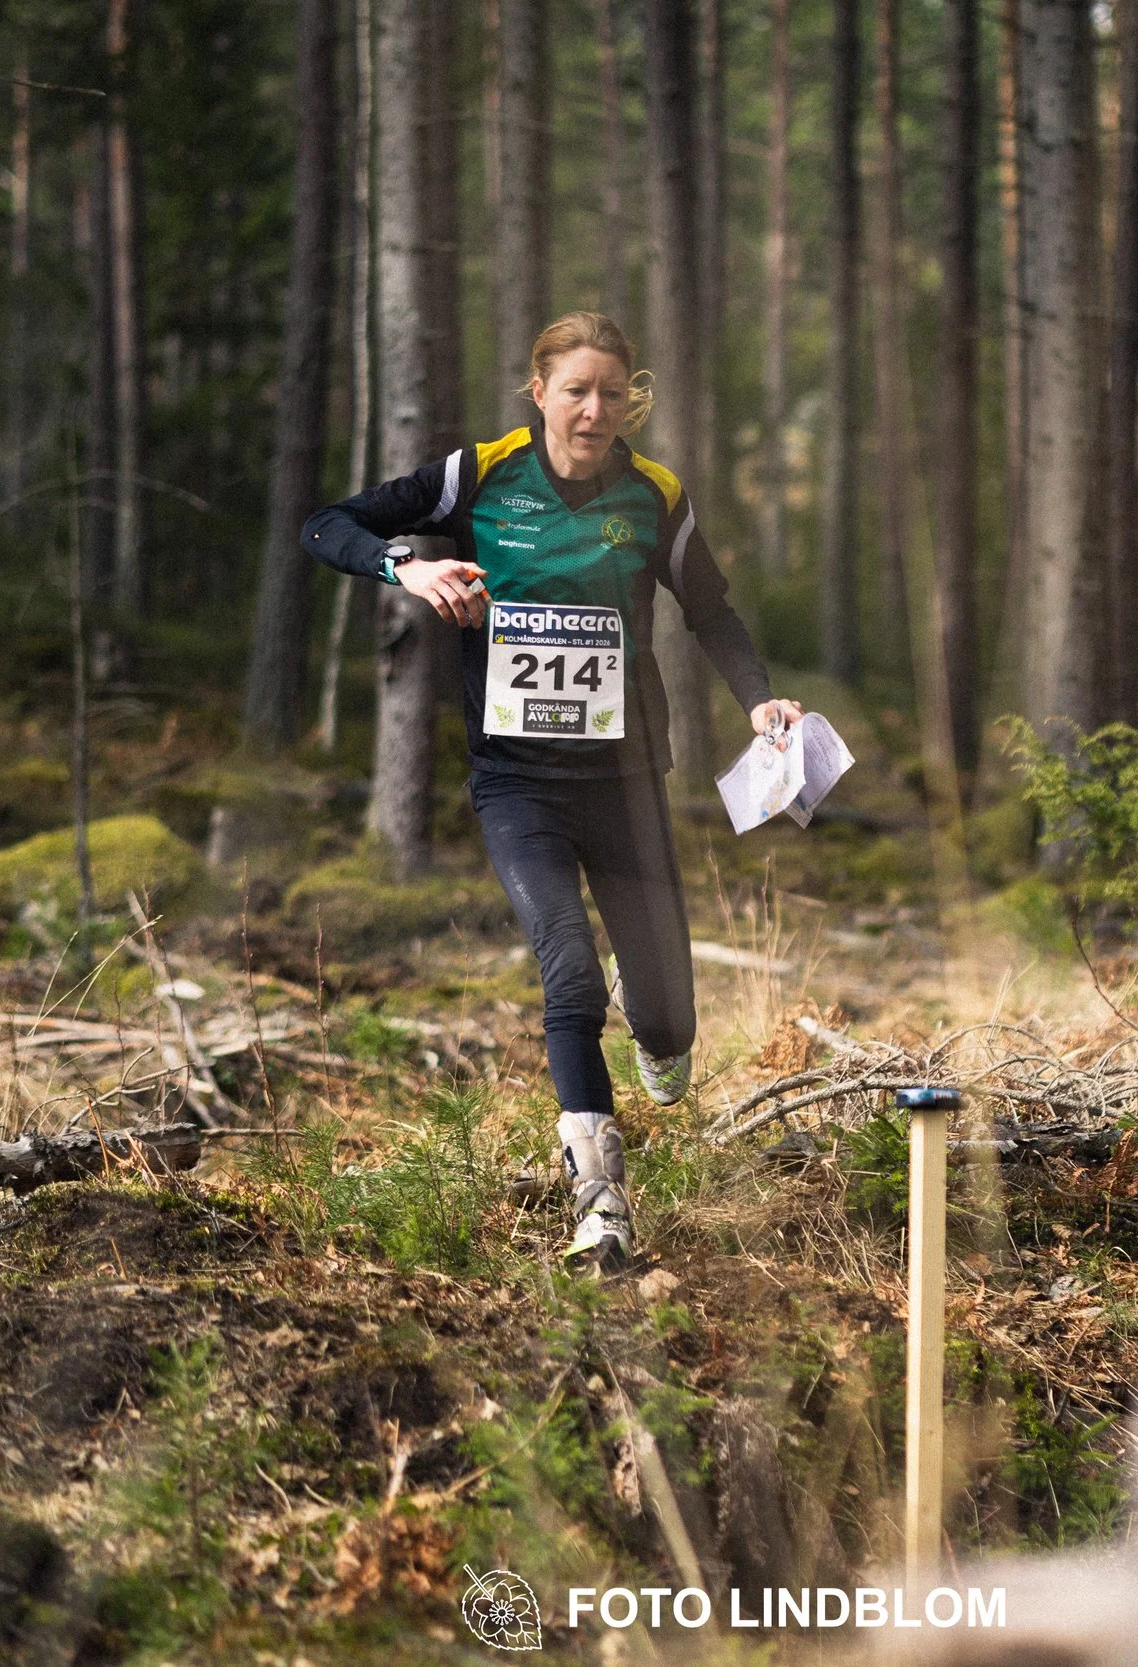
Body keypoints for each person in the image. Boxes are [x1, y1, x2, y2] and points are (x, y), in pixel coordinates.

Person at [302, 312, 800, 1269]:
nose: (594, 409)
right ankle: (600, 1203)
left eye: (612, 393)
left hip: (626, 786)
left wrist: (760, 699)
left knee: (667, 1022)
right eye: (575, 389)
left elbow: (714, 612)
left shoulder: (653, 496)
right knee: (566, 968)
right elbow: (329, 523)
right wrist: (407, 561)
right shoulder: (477, 476)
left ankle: (654, 1018)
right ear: (540, 394)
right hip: (518, 785)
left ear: (630, 402)